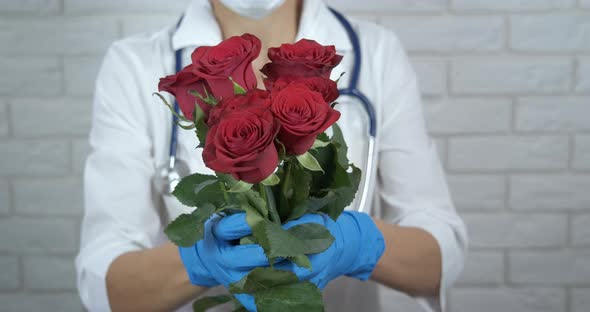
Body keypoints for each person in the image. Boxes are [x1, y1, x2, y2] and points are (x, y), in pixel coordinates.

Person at [75, 0, 468, 311]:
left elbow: (440, 257)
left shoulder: (376, 52)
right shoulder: (134, 64)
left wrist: (357, 243)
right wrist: (200, 260)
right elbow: (102, 285)